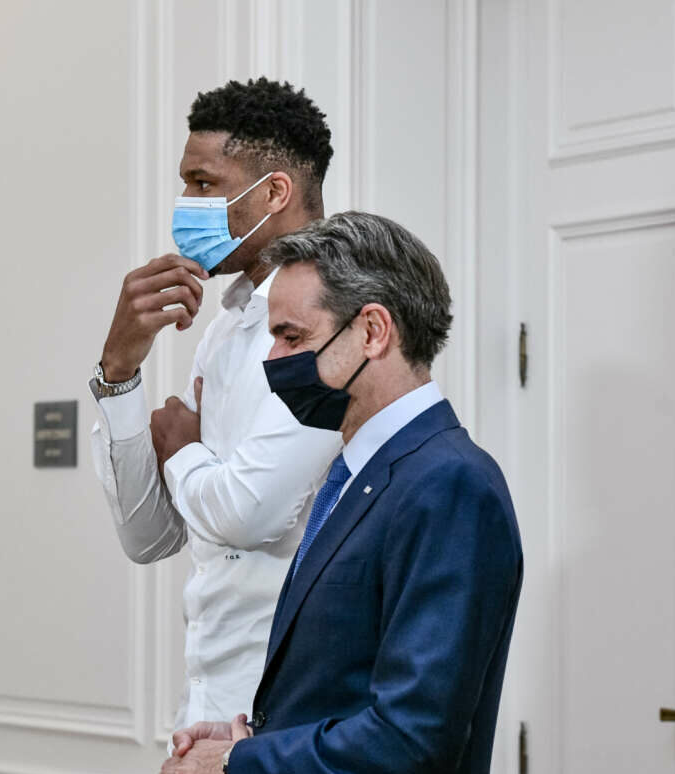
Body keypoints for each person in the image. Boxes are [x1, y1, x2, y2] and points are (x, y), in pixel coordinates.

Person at [164, 212, 524, 774]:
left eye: (292, 337)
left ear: (373, 331)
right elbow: (342, 689)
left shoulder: (450, 484)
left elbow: (413, 738)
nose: (273, 361)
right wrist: (254, 739)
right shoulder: (359, 472)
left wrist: (238, 762)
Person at [87, 78, 342, 733]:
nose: (187, 205)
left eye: (203, 184)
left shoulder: (332, 319)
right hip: (208, 701)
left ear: (275, 193)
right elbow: (149, 536)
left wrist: (182, 448)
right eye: (185, 184)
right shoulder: (227, 327)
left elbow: (248, 513)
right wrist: (120, 371)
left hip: (296, 713)